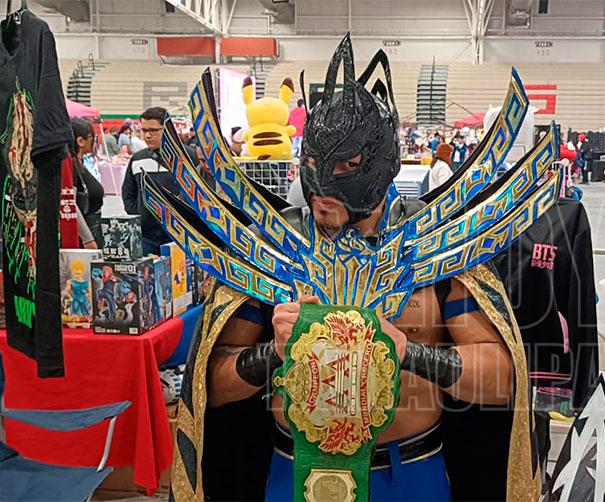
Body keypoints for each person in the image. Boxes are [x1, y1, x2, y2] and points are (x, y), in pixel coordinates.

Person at [177, 37, 532, 502]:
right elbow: (211, 387)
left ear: (382, 166)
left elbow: (502, 380)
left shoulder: (437, 248)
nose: (323, 188)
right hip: (291, 473)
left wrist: (407, 351)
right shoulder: (270, 247)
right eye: (312, 164)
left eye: (347, 166)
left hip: (407, 475)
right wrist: (272, 354)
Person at [121, 107, 196, 255]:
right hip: (146, 237)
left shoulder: (188, 157)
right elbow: (128, 193)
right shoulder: (137, 159)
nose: (148, 136)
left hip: (181, 236)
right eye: (144, 130)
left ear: (167, 130)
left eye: (153, 130)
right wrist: (139, 215)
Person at [70, 118, 105, 248]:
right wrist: (87, 239)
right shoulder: (72, 166)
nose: (95, 142)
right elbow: (71, 203)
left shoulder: (79, 164)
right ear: (80, 141)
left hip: (91, 230)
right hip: (84, 237)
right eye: (92, 137)